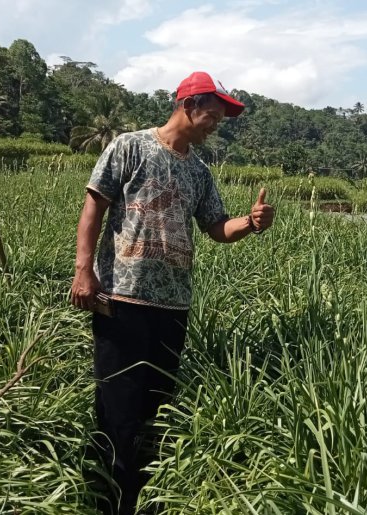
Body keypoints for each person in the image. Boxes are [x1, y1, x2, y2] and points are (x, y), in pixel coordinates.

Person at [70, 71, 275, 514]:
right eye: (213, 116)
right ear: (189, 105)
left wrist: (250, 223)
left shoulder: (199, 170)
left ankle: (145, 497)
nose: (216, 124)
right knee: (116, 404)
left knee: (155, 406)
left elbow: (216, 228)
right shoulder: (131, 146)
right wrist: (84, 272)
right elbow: (93, 207)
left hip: (173, 305)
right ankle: (105, 496)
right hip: (121, 298)